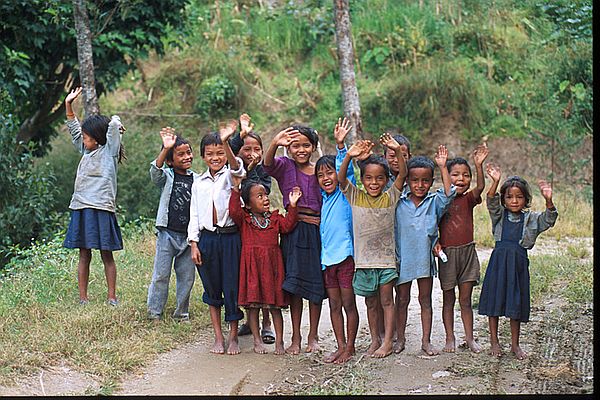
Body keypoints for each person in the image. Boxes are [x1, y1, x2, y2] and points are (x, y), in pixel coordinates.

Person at [478, 166, 557, 360]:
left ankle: (515, 345)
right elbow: (491, 202)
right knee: (494, 302)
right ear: (504, 199)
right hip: (499, 263)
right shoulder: (499, 216)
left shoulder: (531, 219)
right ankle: (494, 342)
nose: (514, 201)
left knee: (515, 303)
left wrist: (548, 200)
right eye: (509, 197)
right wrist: (495, 182)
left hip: (518, 265)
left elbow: (549, 219)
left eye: (519, 197)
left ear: (526, 199)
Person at [338, 134, 406, 358]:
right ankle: (375, 338)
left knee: (387, 300)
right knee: (371, 303)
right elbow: (341, 180)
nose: (373, 183)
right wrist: (348, 155)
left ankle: (387, 341)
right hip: (364, 262)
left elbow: (403, 174)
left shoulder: (390, 197)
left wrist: (396, 151)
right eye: (368, 178)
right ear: (363, 179)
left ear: (386, 180)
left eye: (379, 179)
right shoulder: (356, 196)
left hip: (385, 261)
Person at [263, 124, 324, 354]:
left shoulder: (320, 169)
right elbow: (267, 165)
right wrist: (274, 143)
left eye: (306, 145)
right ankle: (296, 337)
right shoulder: (285, 166)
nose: (301, 150)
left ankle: (313, 336)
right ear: (288, 149)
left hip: (317, 231)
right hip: (293, 230)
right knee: (296, 286)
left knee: (316, 285)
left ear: (314, 147)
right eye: (295, 145)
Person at [62, 86, 125, 306]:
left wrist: (115, 123)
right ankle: (83, 298)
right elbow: (74, 128)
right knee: (84, 253)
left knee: (106, 254)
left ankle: (111, 297)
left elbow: (115, 126)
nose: (83, 140)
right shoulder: (85, 149)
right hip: (81, 206)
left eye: (87, 137)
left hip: (102, 207)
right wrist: (69, 104)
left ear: (97, 139)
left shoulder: (109, 152)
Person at [188, 120, 246, 355]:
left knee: (231, 287)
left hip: (231, 238)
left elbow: (238, 168)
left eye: (220, 152)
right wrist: (194, 243)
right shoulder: (198, 183)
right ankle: (218, 337)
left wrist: (226, 142)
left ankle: (233, 336)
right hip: (207, 239)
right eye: (210, 154)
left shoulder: (231, 175)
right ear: (203, 156)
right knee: (212, 289)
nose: (215, 157)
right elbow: (194, 214)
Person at [394, 146, 456, 356]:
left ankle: (426, 341)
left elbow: (449, 194)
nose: (420, 185)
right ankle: (399, 339)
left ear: (431, 182)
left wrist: (443, 167)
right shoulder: (398, 201)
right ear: (407, 181)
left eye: (425, 181)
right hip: (402, 259)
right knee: (401, 300)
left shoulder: (434, 202)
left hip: (424, 259)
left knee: (425, 300)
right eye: (414, 180)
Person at [229, 176, 301, 355]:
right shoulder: (245, 220)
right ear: (248, 204)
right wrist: (236, 189)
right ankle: (257, 340)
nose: (265, 198)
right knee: (253, 307)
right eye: (259, 196)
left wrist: (292, 206)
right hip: (252, 268)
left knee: (274, 306)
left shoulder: (275, 219)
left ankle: (280, 342)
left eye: (266, 195)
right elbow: (233, 210)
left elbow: (288, 226)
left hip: (272, 268)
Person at [434, 144, 488, 353]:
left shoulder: (468, 199)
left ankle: (470, 338)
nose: (461, 179)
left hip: (467, 253)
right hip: (448, 254)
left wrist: (478, 165)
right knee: (449, 299)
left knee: (465, 300)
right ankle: (450, 338)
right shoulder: (440, 201)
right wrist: (441, 167)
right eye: (455, 174)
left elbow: (481, 187)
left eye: (466, 175)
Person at [317, 117, 360, 364]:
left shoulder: (345, 193)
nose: (326, 178)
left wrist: (341, 146)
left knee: (348, 303)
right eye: (320, 175)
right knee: (333, 305)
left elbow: (347, 172)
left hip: (345, 258)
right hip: (327, 261)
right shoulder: (323, 199)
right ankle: (340, 345)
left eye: (329, 172)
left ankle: (351, 346)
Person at [230, 113, 275, 344]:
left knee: (263, 275)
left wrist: (254, 169)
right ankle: (250, 321)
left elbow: (258, 190)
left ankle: (267, 323)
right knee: (248, 277)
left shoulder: (263, 170)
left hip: (260, 230)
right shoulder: (234, 168)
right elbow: (239, 185)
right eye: (246, 149)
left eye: (256, 148)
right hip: (240, 229)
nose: (252, 153)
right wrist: (241, 134)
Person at [147, 127, 199, 322]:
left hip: (188, 237)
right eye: (180, 154)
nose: (187, 157)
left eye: (188, 152)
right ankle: (154, 313)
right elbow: (155, 173)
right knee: (161, 275)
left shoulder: (197, 179)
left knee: (186, 277)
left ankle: (181, 314)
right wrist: (165, 148)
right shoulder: (167, 176)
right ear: (170, 160)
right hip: (167, 234)